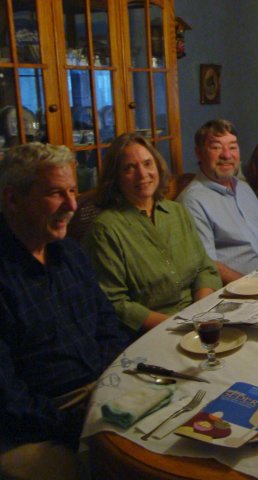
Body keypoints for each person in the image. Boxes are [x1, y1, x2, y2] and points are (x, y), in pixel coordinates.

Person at [0, 143, 128, 479]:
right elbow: (9, 400)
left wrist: (113, 387)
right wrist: (77, 422)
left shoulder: (70, 252)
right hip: (39, 424)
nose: (72, 205)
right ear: (12, 199)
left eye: (73, 191)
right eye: (56, 193)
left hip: (102, 389)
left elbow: (108, 325)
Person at [83, 133, 221, 334]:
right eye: (129, 168)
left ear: (158, 166)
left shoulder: (177, 212)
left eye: (147, 164)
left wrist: (200, 315)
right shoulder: (105, 230)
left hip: (199, 319)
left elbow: (205, 269)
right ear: (115, 177)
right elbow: (116, 303)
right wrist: (179, 326)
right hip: (151, 332)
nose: (142, 174)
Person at [178, 119, 258, 283]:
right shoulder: (192, 201)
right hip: (242, 288)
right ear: (199, 152)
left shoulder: (244, 188)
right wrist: (253, 285)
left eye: (232, 147)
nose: (226, 155)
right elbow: (208, 265)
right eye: (216, 147)